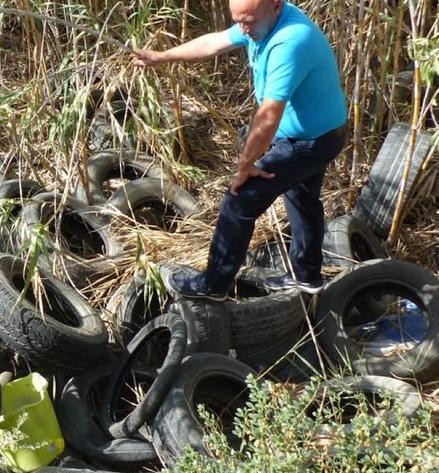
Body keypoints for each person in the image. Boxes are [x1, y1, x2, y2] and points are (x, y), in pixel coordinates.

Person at [134, 0, 348, 300]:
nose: (243, 29)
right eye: (239, 21)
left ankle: (213, 286)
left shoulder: (291, 41)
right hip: (321, 131)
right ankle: (308, 279)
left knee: (240, 200)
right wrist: (163, 56)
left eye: (248, 21)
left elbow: (269, 115)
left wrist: (245, 166)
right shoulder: (261, 21)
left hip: (311, 142)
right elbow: (214, 43)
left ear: (275, 6)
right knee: (302, 198)